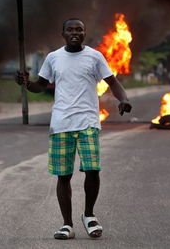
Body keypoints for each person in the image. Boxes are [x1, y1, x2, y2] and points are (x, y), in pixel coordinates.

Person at [15, 18, 132, 240]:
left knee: (93, 169)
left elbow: (112, 81)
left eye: (79, 29)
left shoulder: (94, 56)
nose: (75, 33)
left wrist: (123, 99)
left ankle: (88, 215)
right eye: (70, 29)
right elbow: (40, 85)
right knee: (64, 175)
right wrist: (26, 83)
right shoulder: (53, 58)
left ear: (84, 33)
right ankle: (67, 225)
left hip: (88, 121)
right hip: (61, 124)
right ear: (63, 33)